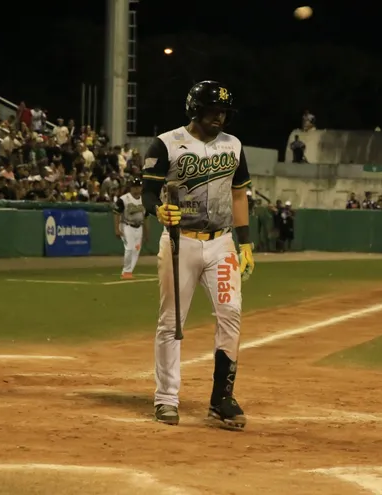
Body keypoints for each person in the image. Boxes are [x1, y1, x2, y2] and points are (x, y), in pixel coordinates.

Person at [142, 80, 254, 430]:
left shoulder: (233, 146)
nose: (219, 116)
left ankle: (222, 399)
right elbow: (148, 191)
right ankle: (166, 398)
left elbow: (238, 195)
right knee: (172, 322)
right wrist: (158, 211)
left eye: (223, 111)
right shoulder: (167, 144)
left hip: (221, 243)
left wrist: (246, 242)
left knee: (231, 312)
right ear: (195, 109)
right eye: (212, 110)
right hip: (180, 241)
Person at [114, 177, 148, 279]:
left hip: (139, 227)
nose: (137, 189)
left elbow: (146, 217)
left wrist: (147, 232)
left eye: (138, 186)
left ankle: (129, 271)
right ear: (131, 188)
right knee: (129, 248)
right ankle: (126, 271)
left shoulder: (144, 199)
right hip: (126, 225)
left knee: (136, 250)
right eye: (134, 187)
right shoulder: (124, 199)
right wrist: (117, 229)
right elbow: (116, 213)